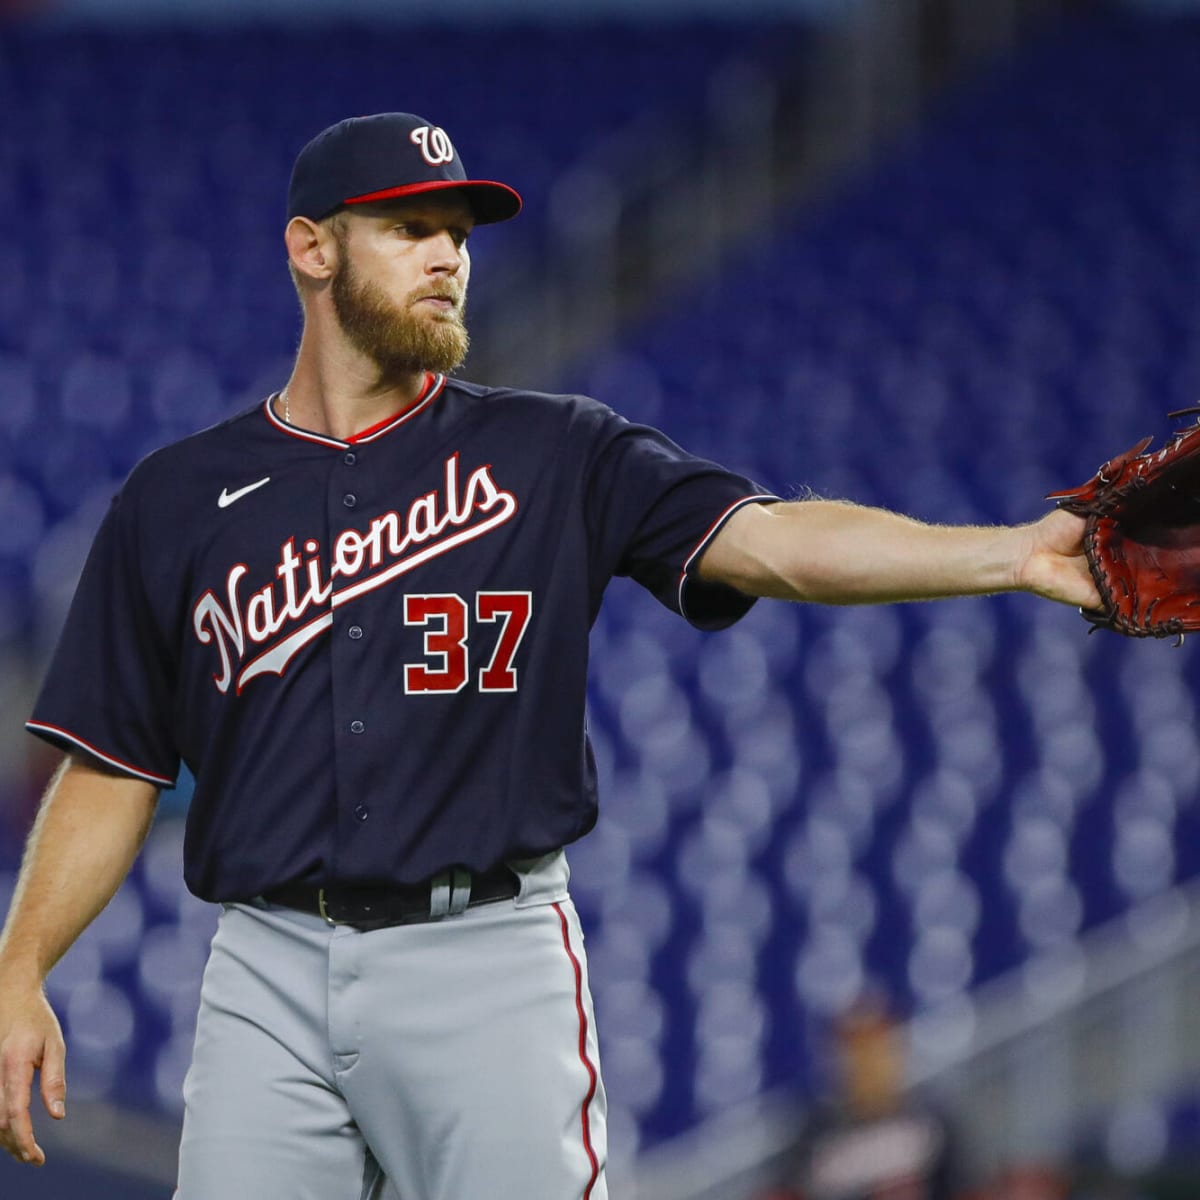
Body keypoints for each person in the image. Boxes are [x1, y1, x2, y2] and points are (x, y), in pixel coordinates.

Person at [0, 112, 1098, 1200]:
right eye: (408, 228)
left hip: (483, 957)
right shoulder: (180, 497)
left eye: (460, 235)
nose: (447, 258)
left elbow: (780, 544)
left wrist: (1010, 554)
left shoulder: (554, 449)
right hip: (265, 967)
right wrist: (20, 965)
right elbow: (112, 765)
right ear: (312, 248)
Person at [765, 992, 962, 1200]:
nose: (869, 1064)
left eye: (877, 1050)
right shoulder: (818, 1134)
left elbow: (963, 1184)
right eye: (857, 1051)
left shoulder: (930, 1120)